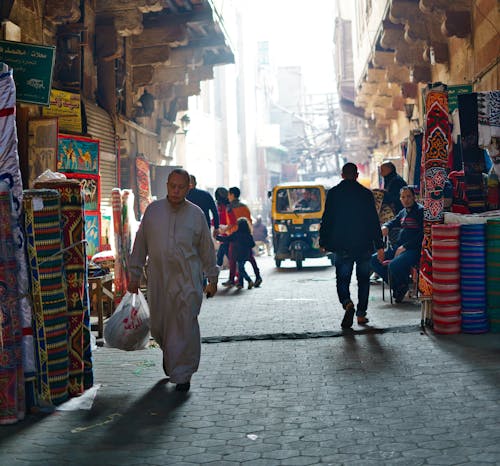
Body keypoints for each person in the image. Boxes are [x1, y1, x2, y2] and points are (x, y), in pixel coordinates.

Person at [127, 168, 219, 392]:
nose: (176, 191)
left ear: (189, 188)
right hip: (159, 280)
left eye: (181, 187)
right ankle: (171, 357)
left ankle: (183, 373)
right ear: (167, 185)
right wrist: (134, 274)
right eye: (172, 186)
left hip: (188, 279)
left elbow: (206, 248)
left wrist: (212, 278)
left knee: (185, 324)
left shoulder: (196, 215)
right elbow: (140, 245)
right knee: (160, 326)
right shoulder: (153, 211)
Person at [319, 162, 384, 329]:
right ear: (357, 175)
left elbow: (327, 219)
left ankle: (347, 303)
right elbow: (373, 221)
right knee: (363, 280)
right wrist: (379, 245)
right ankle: (361, 315)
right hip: (363, 245)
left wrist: (323, 241)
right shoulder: (365, 194)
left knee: (342, 279)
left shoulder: (333, 194)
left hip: (342, 246)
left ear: (342, 175)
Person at [370, 186, 424, 303]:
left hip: (414, 250)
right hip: (399, 248)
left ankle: (402, 285)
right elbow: (393, 221)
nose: (406, 199)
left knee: (394, 265)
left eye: (409, 196)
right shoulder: (403, 212)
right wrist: (386, 226)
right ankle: (398, 286)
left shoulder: (420, 211)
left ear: (414, 197)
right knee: (374, 260)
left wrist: (405, 247)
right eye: (403, 197)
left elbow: (422, 235)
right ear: (400, 199)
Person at [223, 187, 263, 288]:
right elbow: (249, 220)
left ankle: (235, 280)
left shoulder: (229, 208)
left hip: (235, 237)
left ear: (232, 195)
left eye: (228, 194)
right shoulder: (245, 206)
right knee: (250, 257)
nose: (228, 196)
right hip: (246, 235)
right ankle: (257, 277)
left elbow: (231, 223)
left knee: (233, 259)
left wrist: (223, 231)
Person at [217, 217, 255, 289]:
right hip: (245, 254)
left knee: (240, 269)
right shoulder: (248, 235)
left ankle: (249, 280)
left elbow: (226, 239)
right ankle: (242, 283)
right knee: (241, 268)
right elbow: (252, 244)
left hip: (237, 254)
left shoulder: (236, 234)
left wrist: (217, 237)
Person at [215, 187, 230, 267]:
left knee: (222, 257)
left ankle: (242, 277)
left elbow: (219, 219)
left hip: (225, 234)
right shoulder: (228, 205)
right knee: (222, 257)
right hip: (226, 234)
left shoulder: (221, 207)